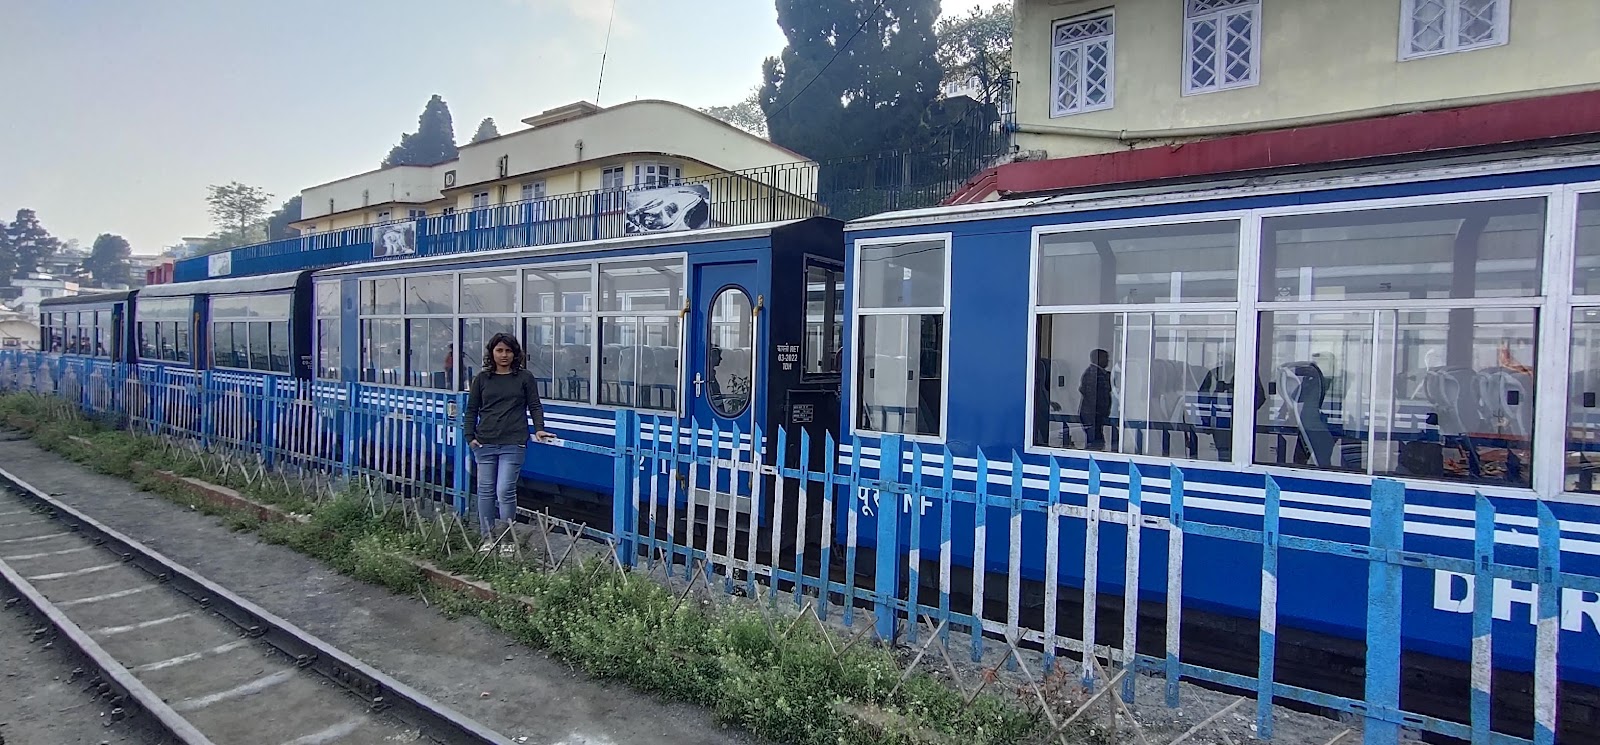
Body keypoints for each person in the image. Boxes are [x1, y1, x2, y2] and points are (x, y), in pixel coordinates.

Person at [464, 332, 554, 551]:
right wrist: (470, 437)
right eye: (499, 350)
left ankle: (507, 539)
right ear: (492, 353)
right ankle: (487, 538)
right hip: (484, 442)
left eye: (508, 351)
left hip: (513, 442)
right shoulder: (482, 379)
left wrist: (539, 429)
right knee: (485, 490)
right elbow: (471, 410)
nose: (504, 355)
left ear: (516, 354)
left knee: (504, 490)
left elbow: (534, 405)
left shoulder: (524, 378)